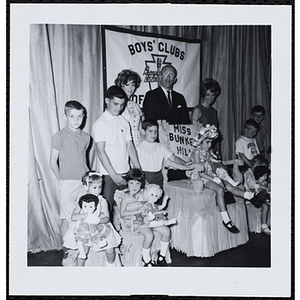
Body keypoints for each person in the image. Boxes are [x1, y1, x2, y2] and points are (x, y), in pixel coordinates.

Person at [190, 124, 259, 234]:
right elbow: (198, 171)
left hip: (210, 175)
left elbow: (215, 164)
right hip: (201, 177)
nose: (209, 145)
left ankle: (250, 196)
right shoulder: (196, 152)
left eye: (211, 142)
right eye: (207, 142)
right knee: (220, 189)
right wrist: (214, 178)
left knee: (230, 186)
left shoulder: (207, 152)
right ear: (201, 141)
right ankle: (226, 219)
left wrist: (217, 169)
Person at [92, 85, 141, 220]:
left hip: (126, 173)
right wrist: (113, 175)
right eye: (115, 104)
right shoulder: (100, 123)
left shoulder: (124, 121)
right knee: (106, 212)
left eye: (121, 105)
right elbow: (101, 152)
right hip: (108, 175)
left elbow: (130, 147)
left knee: (124, 211)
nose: (118, 108)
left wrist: (138, 170)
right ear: (107, 101)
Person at [49, 101, 92, 246]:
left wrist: (87, 180)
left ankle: (81, 247)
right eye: (72, 116)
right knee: (66, 218)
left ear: (84, 116)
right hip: (67, 183)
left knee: (83, 215)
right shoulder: (59, 136)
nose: (76, 120)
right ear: (65, 116)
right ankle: (66, 250)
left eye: (80, 116)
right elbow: (52, 162)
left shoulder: (86, 137)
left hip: (84, 183)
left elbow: (83, 158)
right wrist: (62, 179)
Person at [63, 172, 121, 266]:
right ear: (86, 187)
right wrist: (86, 216)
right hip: (84, 229)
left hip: (100, 227)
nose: (98, 190)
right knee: (83, 251)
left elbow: (107, 218)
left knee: (110, 249)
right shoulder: (82, 200)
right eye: (94, 188)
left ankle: (110, 266)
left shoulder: (102, 201)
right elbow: (73, 217)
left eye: (100, 187)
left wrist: (98, 220)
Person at [119, 169, 173, 266]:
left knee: (166, 231)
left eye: (137, 183)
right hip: (137, 222)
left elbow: (151, 199)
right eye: (131, 183)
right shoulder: (125, 198)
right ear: (127, 183)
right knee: (149, 235)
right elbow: (122, 213)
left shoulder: (143, 194)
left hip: (149, 219)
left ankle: (162, 256)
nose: (134, 186)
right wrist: (138, 211)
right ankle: (146, 258)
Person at [136, 118, 194, 189]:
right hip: (145, 176)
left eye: (155, 131)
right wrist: (143, 180)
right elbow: (136, 167)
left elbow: (173, 158)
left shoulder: (160, 146)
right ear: (143, 131)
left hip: (158, 176)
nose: (153, 134)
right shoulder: (139, 147)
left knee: (158, 196)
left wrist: (183, 163)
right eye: (150, 131)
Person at [191, 78, 221, 153]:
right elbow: (194, 133)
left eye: (212, 95)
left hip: (213, 148)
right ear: (203, 94)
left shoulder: (214, 111)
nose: (210, 98)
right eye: (208, 95)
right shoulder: (198, 109)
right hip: (201, 150)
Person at [115, 69, 144, 146]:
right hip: (123, 145)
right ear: (120, 85)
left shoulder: (135, 106)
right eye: (127, 85)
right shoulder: (117, 105)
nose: (130, 88)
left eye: (133, 85)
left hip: (138, 144)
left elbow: (141, 129)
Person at [243, 155, 271, 235]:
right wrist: (264, 187)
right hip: (251, 198)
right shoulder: (249, 174)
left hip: (259, 195)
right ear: (256, 164)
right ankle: (264, 226)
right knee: (265, 204)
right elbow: (252, 185)